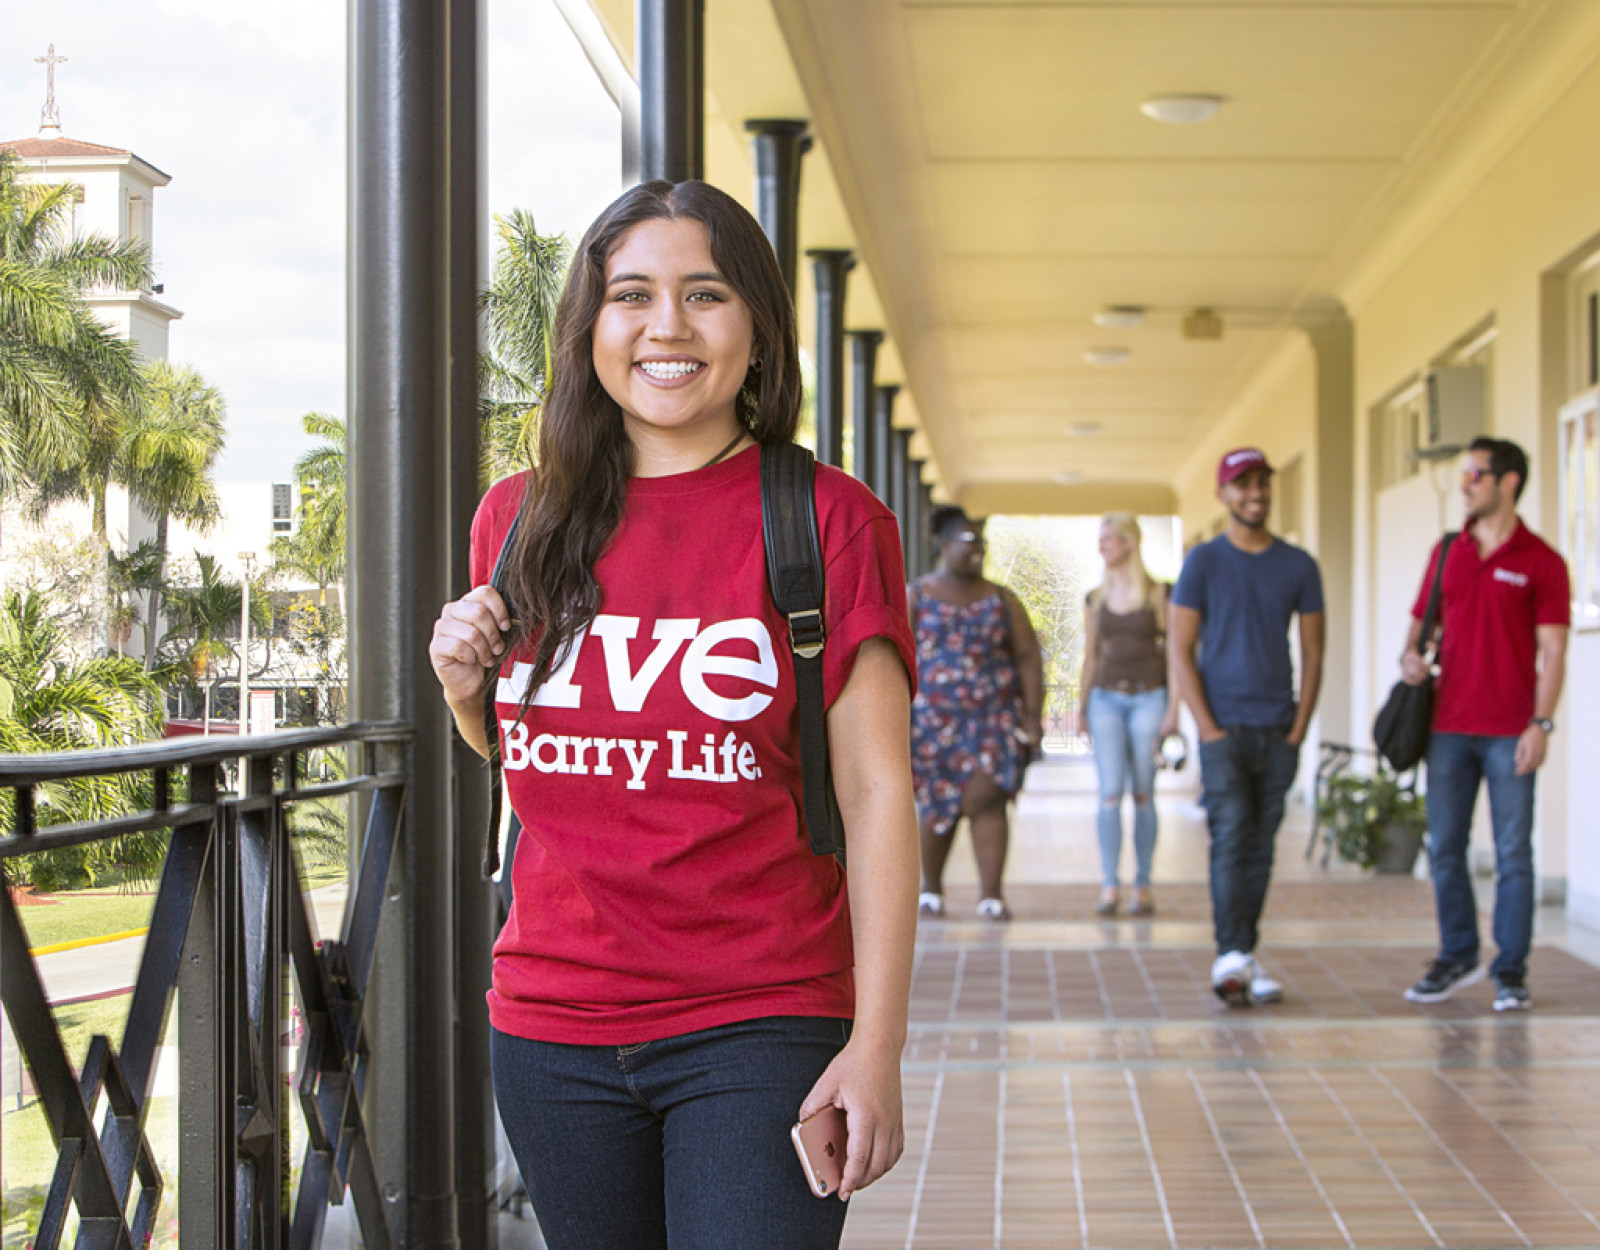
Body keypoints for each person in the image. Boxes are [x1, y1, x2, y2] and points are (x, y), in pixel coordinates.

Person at [428, 180, 920, 1249]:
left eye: (705, 295)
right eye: (631, 295)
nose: (666, 326)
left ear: (755, 328)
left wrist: (876, 1041)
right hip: (551, 1021)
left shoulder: (828, 519)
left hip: (761, 1018)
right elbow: (532, 756)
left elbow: (879, 791)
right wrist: (469, 691)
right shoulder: (517, 519)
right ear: (590, 326)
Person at [1399, 437, 1569, 1012]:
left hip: (1509, 731)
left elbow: (1552, 652)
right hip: (1448, 727)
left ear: (1508, 482)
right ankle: (1457, 955)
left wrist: (1541, 723)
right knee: (1446, 846)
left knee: (1513, 854)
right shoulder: (1448, 552)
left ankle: (1511, 970)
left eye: (1474, 473)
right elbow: (1420, 624)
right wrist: (1411, 661)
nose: (1465, 483)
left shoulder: (1541, 561)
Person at [1170, 448, 1324, 1007]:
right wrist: (1206, 729)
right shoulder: (1204, 562)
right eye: (1243, 484)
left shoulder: (1298, 565)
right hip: (1224, 729)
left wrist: (1298, 729)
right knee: (1232, 836)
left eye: (1262, 481)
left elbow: (1313, 653)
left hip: (1277, 727)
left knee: (1260, 846)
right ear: (1224, 494)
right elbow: (1181, 649)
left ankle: (1241, 955)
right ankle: (1230, 951)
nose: (1255, 492)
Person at [908, 507, 1044, 921]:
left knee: (988, 800)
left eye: (981, 544)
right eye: (968, 542)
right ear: (944, 545)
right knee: (936, 805)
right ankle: (930, 889)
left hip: (993, 720)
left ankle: (991, 895)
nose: (977, 551)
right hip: (931, 724)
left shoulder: (1002, 598)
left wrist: (1033, 716)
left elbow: (1027, 657)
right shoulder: (917, 595)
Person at [1079, 513, 1170, 917]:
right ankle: (1109, 883)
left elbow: (1173, 651)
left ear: (1130, 543)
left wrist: (1174, 710)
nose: (1102, 546)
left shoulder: (1158, 593)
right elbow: (1090, 656)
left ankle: (1144, 884)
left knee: (1144, 793)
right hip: (1105, 700)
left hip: (1150, 697)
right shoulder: (1094, 598)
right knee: (1110, 793)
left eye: (1109, 539)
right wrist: (1081, 708)